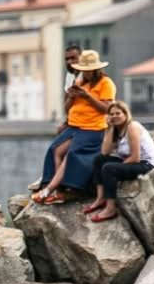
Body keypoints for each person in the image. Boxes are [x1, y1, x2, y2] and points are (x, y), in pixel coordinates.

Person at [32, 49, 115, 205]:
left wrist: (87, 96)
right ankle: (56, 186)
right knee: (55, 150)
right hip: (75, 126)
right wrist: (71, 97)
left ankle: (56, 189)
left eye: (89, 70)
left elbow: (107, 108)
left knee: (73, 154)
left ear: (96, 69)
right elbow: (67, 109)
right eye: (84, 70)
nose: (86, 73)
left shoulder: (106, 83)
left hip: (93, 127)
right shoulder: (79, 82)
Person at [83, 101, 154, 223]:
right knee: (100, 160)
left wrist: (115, 168)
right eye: (111, 114)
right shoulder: (117, 130)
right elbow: (105, 152)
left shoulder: (132, 126)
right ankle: (100, 199)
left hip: (147, 164)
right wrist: (109, 128)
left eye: (118, 113)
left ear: (126, 114)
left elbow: (135, 157)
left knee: (109, 168)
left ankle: (110, 209)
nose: (114, 116)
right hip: (133, 162)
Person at [28, 44, 83, 199]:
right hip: (74, 122)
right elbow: (68, 105)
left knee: (59, 149)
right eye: (67, 59)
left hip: (87, 125)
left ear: (82, 58)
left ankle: (54, 185)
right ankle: (50, 182)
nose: (70, 62)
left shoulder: (86, 78)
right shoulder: (70, 76)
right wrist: (66, 122)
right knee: (55, 147)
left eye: (73, 58)